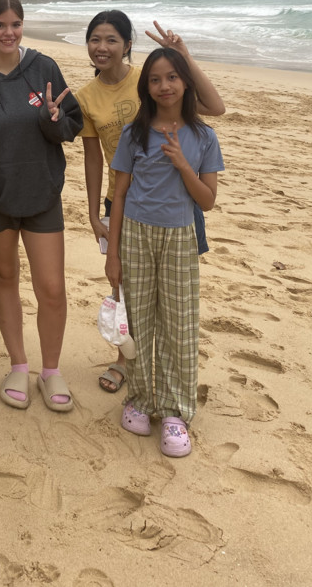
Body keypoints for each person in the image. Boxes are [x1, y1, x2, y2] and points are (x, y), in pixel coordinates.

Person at [76, 11, 225, 394]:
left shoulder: (154, 78)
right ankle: (126, 360)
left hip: (177, 201)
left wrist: (184, 56)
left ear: (128, 45)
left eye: (112, 39)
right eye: (95, 39)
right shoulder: (86, 97)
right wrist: (94, 213)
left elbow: (213, 107)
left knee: (172, 290)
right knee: (124, 285)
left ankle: (167, 369)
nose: (102, 47)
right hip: (123, 198)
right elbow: (93, 158)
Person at [0, 0, 83, 412]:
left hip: (42, 196)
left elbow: (71, 128)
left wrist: (53, 120)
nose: (8, 33)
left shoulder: (43, 67)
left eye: (15, 24)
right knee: (5, 281)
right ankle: (18, 365)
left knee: (51, 288)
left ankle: (50, 371)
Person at [105, 47, 224, 456]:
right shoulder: (133, 134)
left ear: (185, 81)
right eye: (155, 79)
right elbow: (118, 195)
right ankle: (139, 399)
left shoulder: (203, 136)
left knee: (179, 324)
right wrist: (113, 253)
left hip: (179, 236)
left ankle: (175, 412)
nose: (164, 86)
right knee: (138, 321)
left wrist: (181, 163)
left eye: (172, 77)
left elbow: (206, 201)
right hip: (136, 234)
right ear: (146, 87)